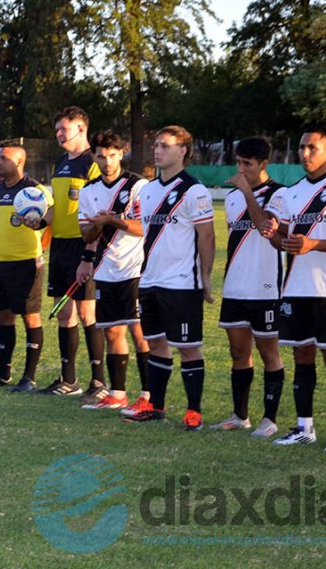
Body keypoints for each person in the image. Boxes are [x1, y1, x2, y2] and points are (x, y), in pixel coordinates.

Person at [262, 126, 326, 454]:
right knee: (301, 354)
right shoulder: (289, 193)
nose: (305, 153)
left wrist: (312, 244)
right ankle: (305, 426)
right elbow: (285, 242)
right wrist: (274, 234)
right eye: (302, 147)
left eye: (312, 148)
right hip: (296, 287)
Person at [125, 125, 215, 431]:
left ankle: (194, 412)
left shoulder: (194, 191)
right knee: (156, 343)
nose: (157, 150)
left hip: (181, 283)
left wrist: (205, 275)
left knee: (188, 346)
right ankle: (156, 406)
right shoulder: (147, 191)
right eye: (156, 145)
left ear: (183, 151)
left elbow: (207, 236)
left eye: (165, 146)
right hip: (150, 280)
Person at [211, 137, 285, 436]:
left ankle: (270, 419)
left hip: (266, 287)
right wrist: (241, 192)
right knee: (238, 352)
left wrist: (248, 193)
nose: (241, 170)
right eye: (238, 163)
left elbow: (265, 227)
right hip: (235, 286)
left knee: (269, 352)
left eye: (248, 164)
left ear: (263, 164)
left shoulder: (281, 194)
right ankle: (240, 415)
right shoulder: (231, 197)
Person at [76, 131, 151, 413]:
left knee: (139, 332)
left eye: (112, 155)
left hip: (134, 268)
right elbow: (86, 234)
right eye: (100, 156)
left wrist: (113, 220)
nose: (107, 162)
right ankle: (117, 394)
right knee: (112, 332)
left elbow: (144, 228)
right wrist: (99, 225)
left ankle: (147, 394)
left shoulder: (138, 186)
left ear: (122, 153)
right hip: (106, 270)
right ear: (93, 156)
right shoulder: (89, 190)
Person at [36, 107, 104, 397]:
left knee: (89, 313)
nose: (59, 134)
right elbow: (58, 206)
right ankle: (69, 379)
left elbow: (98, 210)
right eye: (57, 129)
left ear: (81, 128)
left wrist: (89, 253)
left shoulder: (93, 163)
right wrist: (39, 220)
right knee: (65, 313)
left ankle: (99, 382)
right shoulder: (61, 162)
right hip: (60, 245)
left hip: (83, 244)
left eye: (64, 128)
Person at [0, 143, 50, 392]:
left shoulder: (34, 190)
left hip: (26, 262)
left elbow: (51, 218)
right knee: (4, 317)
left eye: (3, 158)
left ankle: (29, 377)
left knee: (30, 317)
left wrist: (41, 245)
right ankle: (3, 373)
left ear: (19, 162)